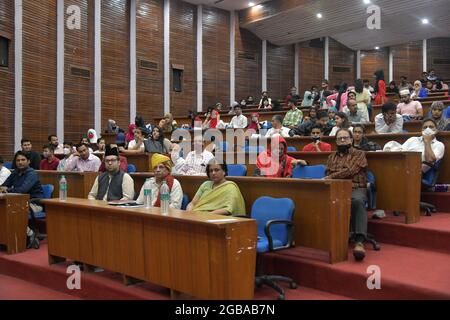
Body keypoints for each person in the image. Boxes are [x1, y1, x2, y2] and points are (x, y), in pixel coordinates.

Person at [325, 128, 369, 261]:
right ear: (336, 141)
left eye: (345, 138)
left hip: (355, 188)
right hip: (336, 189)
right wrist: (331, 178)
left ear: (351, 139)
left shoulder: (359, 154)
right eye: (340, 138)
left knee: (357, 201)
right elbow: (327, 174)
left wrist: (331, 177)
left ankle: (360, 241)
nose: (343, 140)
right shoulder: (331, 157)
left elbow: (351, 171)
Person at [1, 151, 43, 249]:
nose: (20, 162)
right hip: (17, 201)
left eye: (23, 160)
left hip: (34, 203)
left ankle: (30, 233)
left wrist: (8, 189)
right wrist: (4, 188)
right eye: (18, 160)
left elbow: (22, 190)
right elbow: (4, 185)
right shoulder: (15, 172)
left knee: (10, 211)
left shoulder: (31, 173)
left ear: (28, 161)